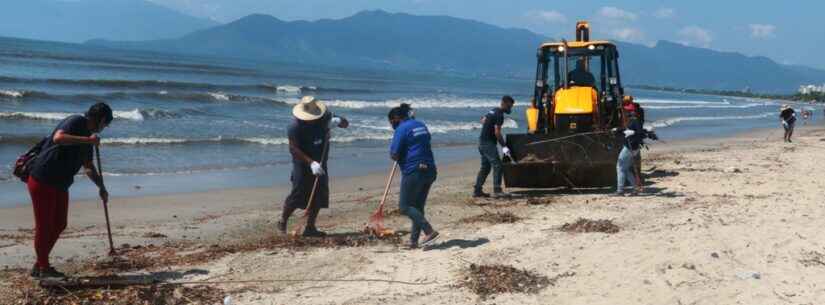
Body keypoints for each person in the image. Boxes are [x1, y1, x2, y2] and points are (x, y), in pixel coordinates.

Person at [26, 103, 112, 278]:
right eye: (106, 124)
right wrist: (88, 140)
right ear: (101, 120)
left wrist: (101, 187)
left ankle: (39, 265)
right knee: (44, 227)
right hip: (43, 178)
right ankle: (43, 268)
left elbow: (88, 167)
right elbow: (59, 138)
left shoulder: (89, 138)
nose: (104, 128)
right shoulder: (76, 121)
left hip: (61, 183)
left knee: (59, 224)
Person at [278, 96, 348, 237]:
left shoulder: (325, 116)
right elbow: (293, 149)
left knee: (319, 194)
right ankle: (282, 222)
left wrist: (338, 121)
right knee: (297, 194)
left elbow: (346, 124)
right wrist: (311, 163)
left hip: (321, 160)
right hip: (302, 163)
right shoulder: (295, 127)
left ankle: (310, 227)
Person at [388, 103, 439, 249]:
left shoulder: (401, 129)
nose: (392, 126)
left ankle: (429, 231)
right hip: (430, 169)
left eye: (392, 122)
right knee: (417, 206)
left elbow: (394, 154)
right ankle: (413, 241)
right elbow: (424, 142)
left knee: (404, 207)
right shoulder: (420, 125)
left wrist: (397, 152)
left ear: (396, 118)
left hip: (414, 170)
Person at [474, 96, 515, 198]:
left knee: (485, 167)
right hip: (488, 144)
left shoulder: (493, 110)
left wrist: (488, 126)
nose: (511, 108)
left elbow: (483, 120)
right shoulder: (499, 115)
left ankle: (477, 191)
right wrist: (504, 147)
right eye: (510, 106)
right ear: (505, 104)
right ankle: (497, 190)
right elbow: (497, 132)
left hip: (481, 142)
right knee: (498, 165)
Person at [613, 111, 647, 196]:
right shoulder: (632, 121)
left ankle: (620, 191)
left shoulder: (635, 121)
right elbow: (626, 130)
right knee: (625, 169)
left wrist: (633, 133)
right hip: (632, 147)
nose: (623, 115)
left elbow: (641, 133)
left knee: (620, 167)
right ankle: (636, 189)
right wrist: (618, 129)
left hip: (630, 148)